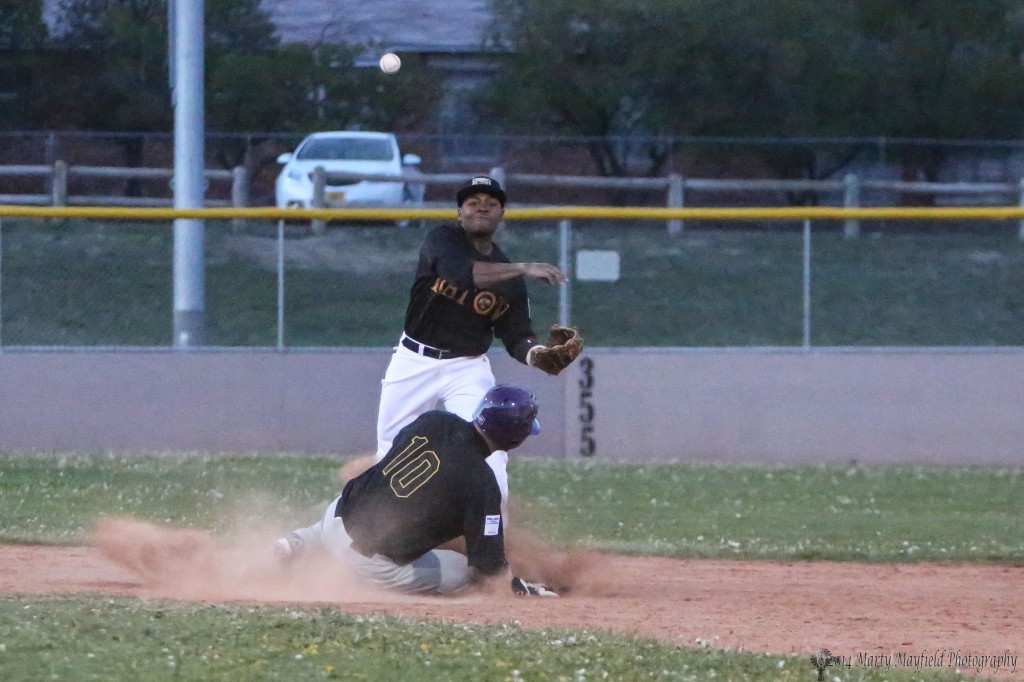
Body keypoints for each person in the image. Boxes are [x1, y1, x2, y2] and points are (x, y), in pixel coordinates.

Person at [365, 176, 571, 506]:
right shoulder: (441, 240)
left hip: (467, 367)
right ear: (460, 211)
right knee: (391, 452)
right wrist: (523, 267)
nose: (482, 207)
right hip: (413, 359)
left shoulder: (509, 278)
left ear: (502, 214)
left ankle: (493, 538)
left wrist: (540, 355)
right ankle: (378, 537)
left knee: (490, 446)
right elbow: (463, 273)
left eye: (491, 203)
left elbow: (517, 335)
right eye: (473, 202)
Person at [275, 385, 557, 597]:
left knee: (351, 516)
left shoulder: (435, 420)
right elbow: (489, 566)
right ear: (515, 438)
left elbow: (399, 448)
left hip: (335, 515)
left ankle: (294, 544)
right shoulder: (482, 485)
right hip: (366, 561)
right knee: (463, 572)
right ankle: (342, 579)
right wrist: (518, 587)